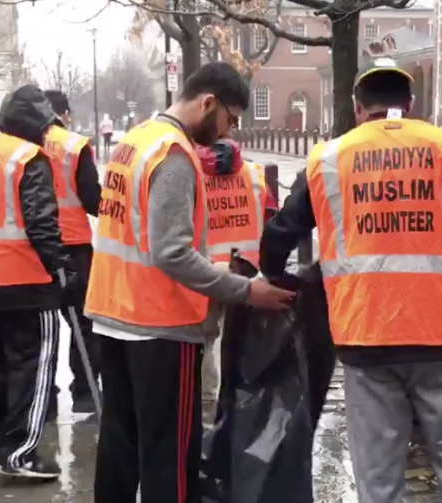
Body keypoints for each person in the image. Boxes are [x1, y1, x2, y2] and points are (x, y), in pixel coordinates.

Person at [258, 57, 442, 503]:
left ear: (356, 107)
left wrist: (270, 279)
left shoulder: (330, 159)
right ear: (409, 104)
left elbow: (280, 232)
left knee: (380, 486)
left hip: (366, 340)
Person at [84, 61, 296, 503]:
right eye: (230, 119)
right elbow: (172, 251)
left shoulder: (136, 140)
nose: (227, 133)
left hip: (113, 316)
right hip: (160, 327)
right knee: (171, 458)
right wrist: (244, 290)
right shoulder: (175, 155)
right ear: (208, 103)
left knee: (120, 447)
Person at [0, 85, 73, 480]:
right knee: (33, 369)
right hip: (26, 285)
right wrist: (63, 269)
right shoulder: (28, 158)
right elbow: (41, 223)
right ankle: (22, 452)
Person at [196, 137, 278, 401]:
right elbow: (272, 221)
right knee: (241, 345)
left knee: (205, 343)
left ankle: (207, 412)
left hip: (202, 271)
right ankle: (238, 407)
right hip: (246, 270)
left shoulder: (192, 174)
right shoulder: (255, 175)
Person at [42, 89, 103, 415]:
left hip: (35, 247)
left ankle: (46, 399)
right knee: (83, 321)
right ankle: (83, 392)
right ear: (64, 114)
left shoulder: (25, 144)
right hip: (74, 244)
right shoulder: (74, 145)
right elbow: (92, 198)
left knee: (43, 324)